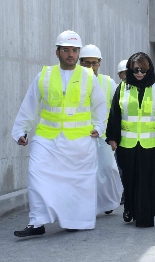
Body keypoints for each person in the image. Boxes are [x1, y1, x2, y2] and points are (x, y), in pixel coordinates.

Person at [12, 30, 107, 237]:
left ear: (78, 52)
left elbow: (100, 105)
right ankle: (37, 222)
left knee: (76, 182)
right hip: (47, 138)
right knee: (36, 173)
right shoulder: (44, 76)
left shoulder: (88, 76)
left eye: (74, 50)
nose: (70, 54)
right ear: (57, 53)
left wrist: (100, 127)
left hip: (80, 141)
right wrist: (21, 130)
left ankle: (74, 220)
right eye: (66, 50)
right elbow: (30, 105)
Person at [106, 52, 155, 228]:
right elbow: (115, 114)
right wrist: (112, 137)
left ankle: (146, 215)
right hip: (127, 145)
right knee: (129, 181)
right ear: (129, 69)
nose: (139, 73)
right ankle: (130, 208)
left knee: (149, 182)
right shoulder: (122, 88)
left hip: (150, 146)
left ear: (149, 69)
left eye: (143, 69)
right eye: (135, 69)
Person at [79, 44, 123, 215]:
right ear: (80, 63)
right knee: (86, 173)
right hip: (81, 136)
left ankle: (108, 201)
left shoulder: (108, 83)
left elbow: (116, 112)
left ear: (99, 63)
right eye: (86, 63)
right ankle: (88, 206)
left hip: (103, 136)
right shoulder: (75, 81)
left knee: (108, 169)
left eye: (94, 63)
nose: (91, 67)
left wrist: (114, 136)